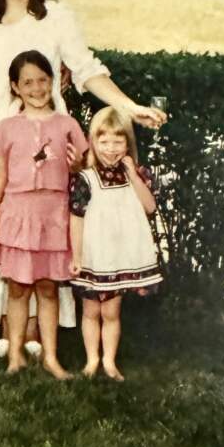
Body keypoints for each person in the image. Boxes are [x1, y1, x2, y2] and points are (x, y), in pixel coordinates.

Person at [0, 0, 166, 359]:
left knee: (41, 232)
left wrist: (129, 106)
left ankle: (39, 334)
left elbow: (87, 69)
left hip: (45, 145)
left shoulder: (55, 16)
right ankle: (9, 333)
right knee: (6, 229)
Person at [0, 51, 89, 379]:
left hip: (53, 215)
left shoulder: (67, 125)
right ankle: (15, 354)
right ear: (15, 87)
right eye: (27, 82)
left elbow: (83, 169)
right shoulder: (6, 128)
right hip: (17, 214)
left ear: (52, 82)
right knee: (17, 287)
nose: (36, 88)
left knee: (47, 287)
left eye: (42, 80)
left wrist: (76, 166)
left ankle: (51, 358)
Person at [70, 106, 163, 381]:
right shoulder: (85, 178)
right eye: (104, 141)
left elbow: (149, 207)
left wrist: (133, 175)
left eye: (117, 141)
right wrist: (77, 256)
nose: (110, 148)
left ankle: (109, 362)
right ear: (93, 142)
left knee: (111, 311)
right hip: (94, 254)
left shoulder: (133, 174)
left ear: (127, 143)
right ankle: (91, 360)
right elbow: (76, 218)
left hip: (120, 256)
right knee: (90, 311)